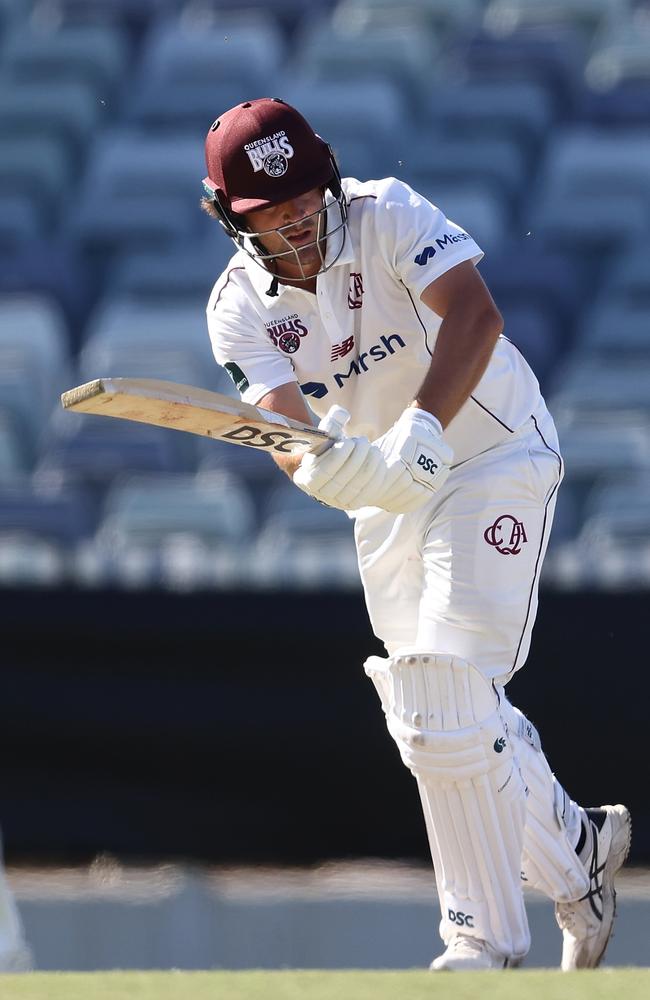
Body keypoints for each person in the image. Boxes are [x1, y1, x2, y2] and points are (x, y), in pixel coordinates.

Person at [200, 97, 631, 971]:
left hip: (490, 453)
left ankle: (483, 941)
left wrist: (425, 433)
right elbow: (286, 432)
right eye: (272, 220)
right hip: (388, 500)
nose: (299, 230)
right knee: (428, 719)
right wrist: (329, 472)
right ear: (228, 219)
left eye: (306, 205)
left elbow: (476, 317)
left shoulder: (388, 210)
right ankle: (573, 853)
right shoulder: (236, 308)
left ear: (328, 179)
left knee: (447, 685)